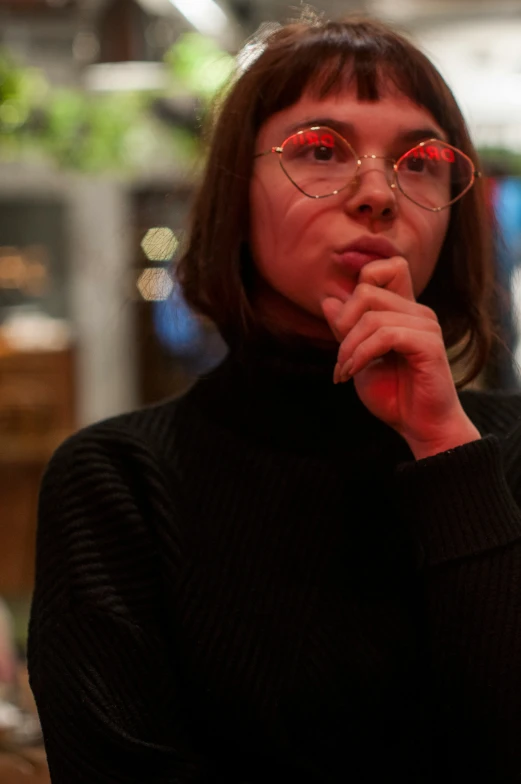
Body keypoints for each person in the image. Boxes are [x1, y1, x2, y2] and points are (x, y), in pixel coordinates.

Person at [27, 13, 521, 784]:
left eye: (419, 161)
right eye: (321, 151)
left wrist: (444, 450)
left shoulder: (502, 456)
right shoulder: (122, 478)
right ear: (236, 195)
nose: (375, 195)